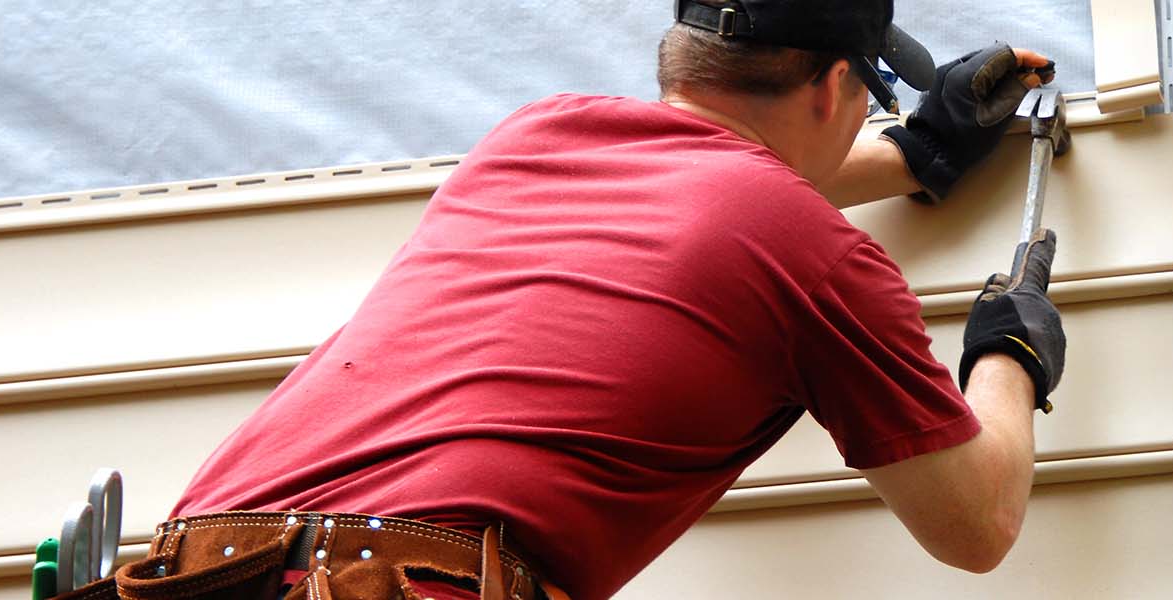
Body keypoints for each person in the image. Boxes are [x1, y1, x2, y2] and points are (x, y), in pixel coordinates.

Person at [65, 1, 1068, 599]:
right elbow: (975, 524)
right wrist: (1006, 357)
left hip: (197, 568)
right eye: (869, 101)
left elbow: (708, 201)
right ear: (833, 87)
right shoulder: (811, 255)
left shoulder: (534, 139)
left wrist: (915, 153)